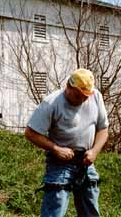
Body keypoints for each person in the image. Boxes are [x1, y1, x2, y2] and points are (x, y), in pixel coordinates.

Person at [25, 68, 109, 217]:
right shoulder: (51, 103)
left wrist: (95, 151)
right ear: (68, 86)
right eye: (78, 96)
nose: (82, 100)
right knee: (55, 211)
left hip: (85, 162)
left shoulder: (96, 97)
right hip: (59, 164)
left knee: (91, 211)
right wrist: (56, 148)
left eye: (85, 97)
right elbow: (31, 133)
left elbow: (103, 129)